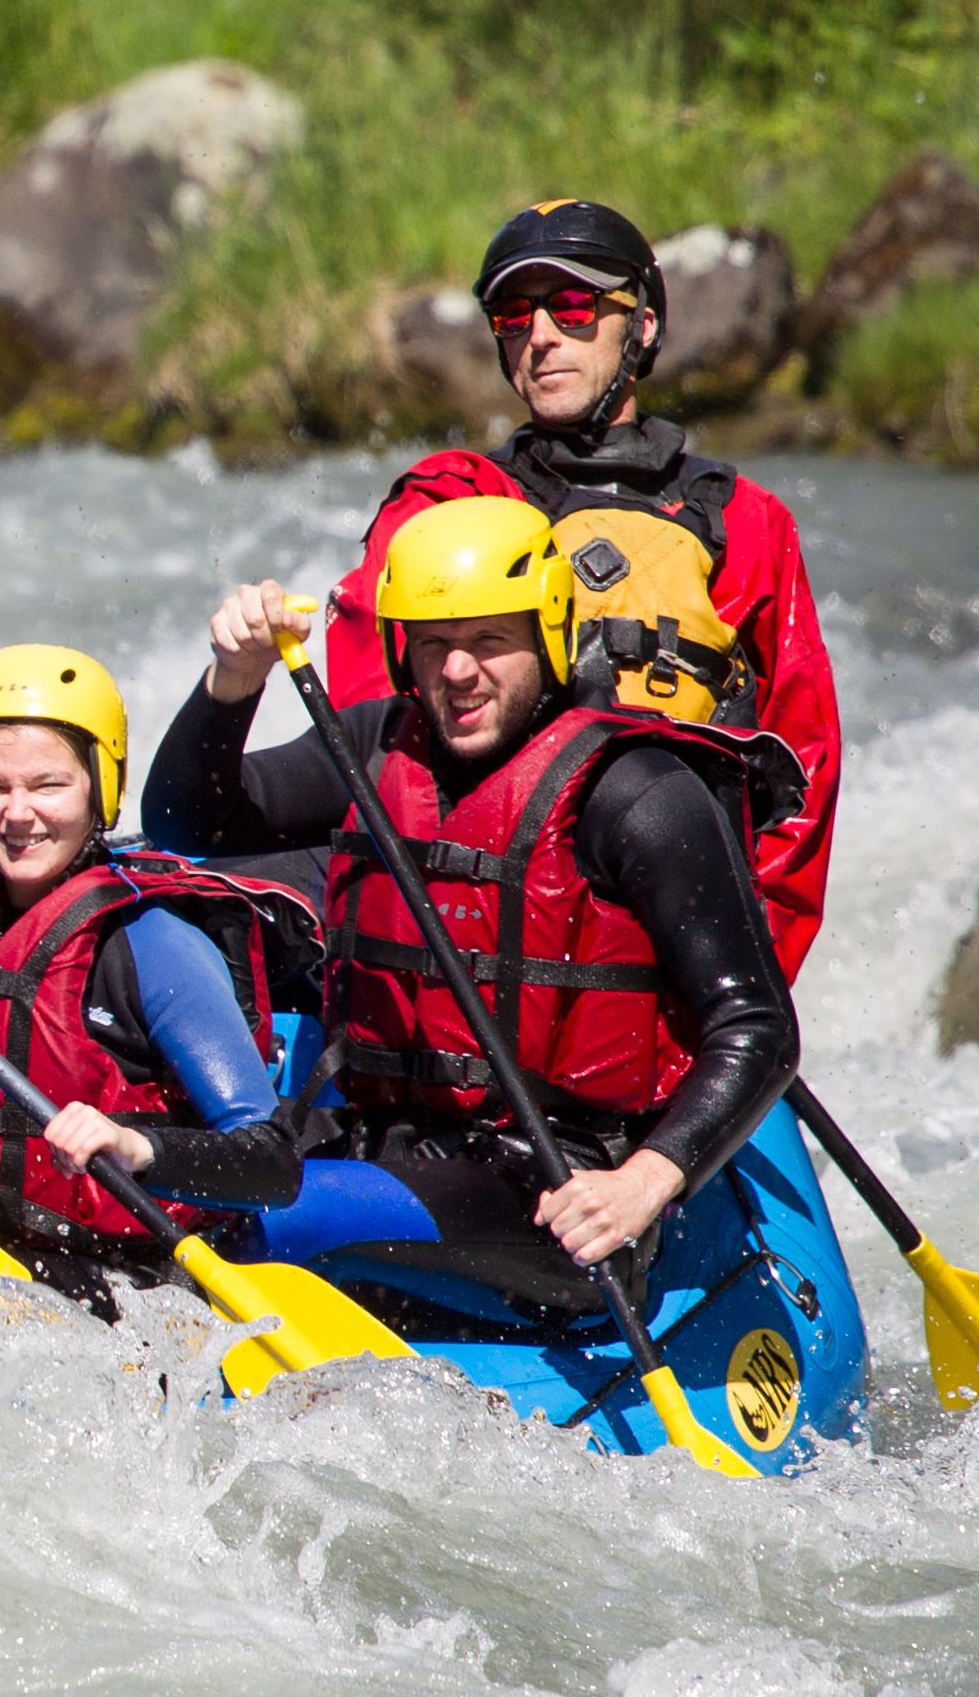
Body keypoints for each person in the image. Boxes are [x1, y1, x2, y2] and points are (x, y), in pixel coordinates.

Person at [125, 498, 806, 1314]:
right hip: (385, 1142)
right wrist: (232, 684)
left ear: (549, 634)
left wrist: (644, 1182)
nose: (456, 672)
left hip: (552, 1187)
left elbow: (759, 1029)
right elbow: (187, 821)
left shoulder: (640, 793)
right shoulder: (378, 741)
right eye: (435, 644)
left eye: (490, 642)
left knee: (263, 1223)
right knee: (162, 1192)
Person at [317, 197, 841, 975]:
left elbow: (803, 768)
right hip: (481, 929)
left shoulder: (747, 525)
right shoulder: (448, 500)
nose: (543, 337)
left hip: (664, 937)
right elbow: (374, 728)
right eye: (515, 318)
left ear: (644, 327)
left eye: (573, 307)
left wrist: (745, 974)